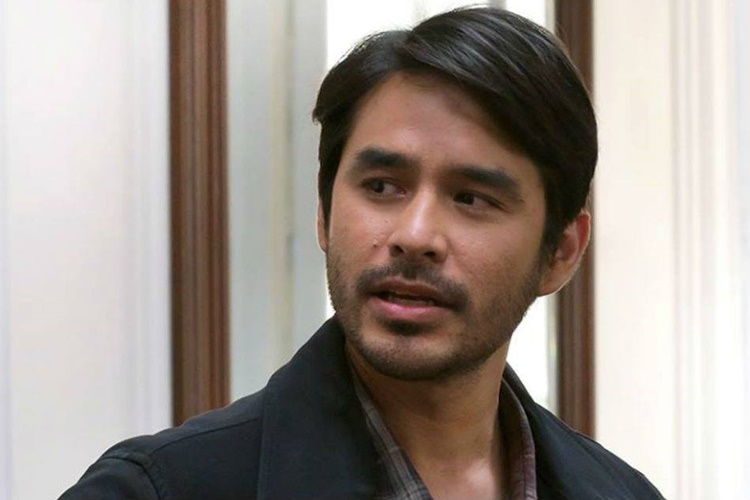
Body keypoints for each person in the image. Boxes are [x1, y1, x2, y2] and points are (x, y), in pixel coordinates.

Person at [60, 7, 664, 499]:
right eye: (381, 187)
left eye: (472, 198)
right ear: (324, 213)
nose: (415, 235)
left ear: (561, 252)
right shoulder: (155, 491)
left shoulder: (623, 493)